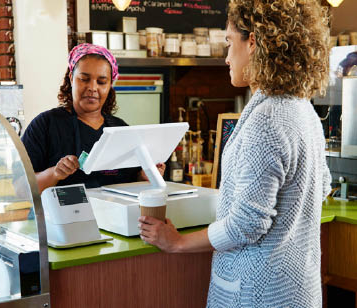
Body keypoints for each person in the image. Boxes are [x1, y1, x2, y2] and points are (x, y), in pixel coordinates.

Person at [138, 0, 332, 307]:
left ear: (252, 42)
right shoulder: (303, 109)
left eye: (229, 42)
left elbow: (247, 224)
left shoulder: (267, 119)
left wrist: (177, 243)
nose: (227, 57)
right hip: (298, 289)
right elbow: (321, 188)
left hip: (258, 294)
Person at [22, 43, 165, 193]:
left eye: (102, 82)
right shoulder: (45, 125)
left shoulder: (121, 130)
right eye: (84, 79)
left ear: (110, 85)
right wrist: (55, 173)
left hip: (112, 214)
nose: (92, 87)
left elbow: (130, 184)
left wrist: (144, 177)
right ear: (71, 78)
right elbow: (21, 188)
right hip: (60, 215)